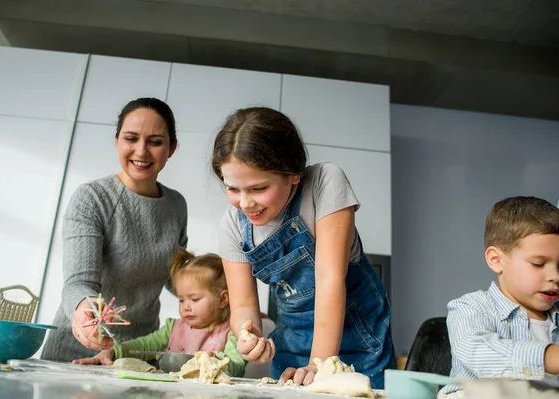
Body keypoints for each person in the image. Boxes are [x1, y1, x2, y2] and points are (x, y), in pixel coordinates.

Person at [210, 107, 395, 388]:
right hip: (292, 343)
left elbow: (329, 279)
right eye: (233, 189)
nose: (245, 203)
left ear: (294, 173)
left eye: (259, 188)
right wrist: (248, 334)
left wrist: (319, 363)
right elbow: (244, 305)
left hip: (359, 340)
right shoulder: (232, 225)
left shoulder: (324, 183)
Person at [41, 97, 188, 361]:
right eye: (131, 139)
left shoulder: (176, 205)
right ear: (117, 140)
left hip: (137, 353)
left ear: (172, 147)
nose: (141, 152)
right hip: (81, 350)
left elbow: (175, 277)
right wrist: (83, 312)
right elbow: (78, 283)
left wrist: (230, 301)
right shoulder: (92, 198)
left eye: (155, 142)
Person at [441, 196, 559, 395]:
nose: (555, 276)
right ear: (496, 260)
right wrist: (549, 357)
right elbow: (478, 353)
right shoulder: (470, 307)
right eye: (539, 264)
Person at [73, 247, 247, 378]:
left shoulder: (231, 332)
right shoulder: (173, 328)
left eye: (194, 299)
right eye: (181, 299)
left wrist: (216, 361)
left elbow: (237, 364)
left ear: (223, 299)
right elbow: (142, 346)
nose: (186, 306)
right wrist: (113, 351)